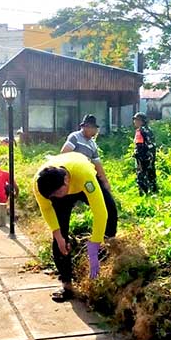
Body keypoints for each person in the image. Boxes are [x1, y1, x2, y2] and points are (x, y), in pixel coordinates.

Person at [33, 152, 114, 302]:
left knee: (111, 210)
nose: (57, 196)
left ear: (66, 180)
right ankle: (67, 286)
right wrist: (59, 237)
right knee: (60, 241)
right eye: (53, 196)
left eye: (58, 192)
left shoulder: (84, 174)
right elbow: (46, 210)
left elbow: (100, 212)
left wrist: (95, 244)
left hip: (81, 182)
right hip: (60, 187)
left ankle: (108, 248)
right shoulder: (41, 186)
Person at [60, 114, 118, 237]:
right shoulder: (75, 137)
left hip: (87, 179)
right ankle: (62, 243)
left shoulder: (92, 144)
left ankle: (108, 237)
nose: (95, 132)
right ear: (86, 127)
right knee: (63, 213)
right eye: (93, 129)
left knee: (109, 205)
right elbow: (64, 154)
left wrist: (105, 182)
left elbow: (98, 164)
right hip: (72, 178)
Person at [132, 112, 158, 195]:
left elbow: (139, 147)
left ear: (141, 121)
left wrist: (137, 158)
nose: (134, 121)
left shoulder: (139, 131)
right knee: (151, 176)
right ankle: (154, 193)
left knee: (141, 177)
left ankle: (144, 196)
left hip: (142, 158)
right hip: (151, 158)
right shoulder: (149, 130)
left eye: (136, 120)